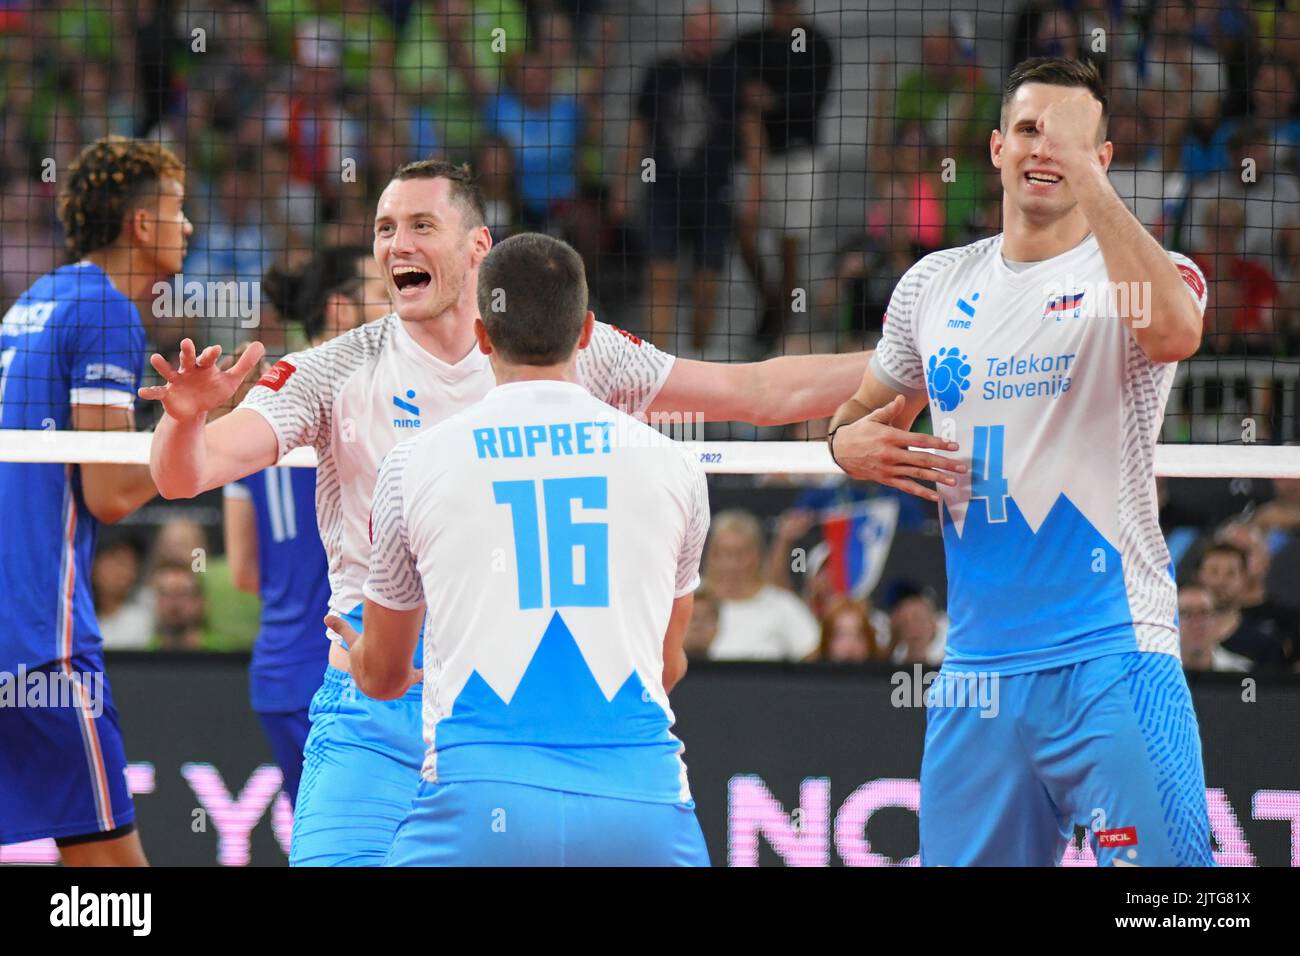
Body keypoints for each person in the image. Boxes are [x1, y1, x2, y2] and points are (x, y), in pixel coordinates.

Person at [142, 157, 867, 866]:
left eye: (422, 225)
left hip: (509, 712)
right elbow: (189, 474)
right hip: (375, 706)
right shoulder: (336, 368)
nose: (398, 244)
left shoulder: (573, 350)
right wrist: (182, 422)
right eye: (385, 228)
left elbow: (757, 395)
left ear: (477, 247)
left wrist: (906, 363)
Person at [828, 58, 1212, 866]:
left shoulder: (1148, 274)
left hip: (1112, 655)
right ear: (999, 146)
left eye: (1071, 138)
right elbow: (864, 411)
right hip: (977, 673)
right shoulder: (933, 285)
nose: (1048, 149)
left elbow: (1175, 333)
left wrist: (1095, 191)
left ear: (1102, 160)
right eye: (1032, 130)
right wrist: (845, 442)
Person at [329, 233, 710, 865]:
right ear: (587, 331)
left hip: (478, 804)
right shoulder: (674, 466)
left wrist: (358, 653)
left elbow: (387, 676)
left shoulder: (413, 464)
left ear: (482, 337)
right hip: (640, 808)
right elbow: (667, 668)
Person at [0, 136, 190, 865]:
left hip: (13, 629)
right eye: (177, 212)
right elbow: (108, 493)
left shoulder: (32, 301)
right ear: (141, 226)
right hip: (43, 645)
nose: (188, 228)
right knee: (116, 884)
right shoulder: (108, 313)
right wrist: (196, 440)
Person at [222, 246, 390, 807]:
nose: (392, 300)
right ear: (340, 309)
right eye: (376, 288)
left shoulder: (258, 408)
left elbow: (243, 571)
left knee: (327, 836)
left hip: (276, 675)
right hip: (343, 666)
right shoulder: (358, 403)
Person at [704, 510, 820, 661]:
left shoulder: (782, 605)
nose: (731, 564)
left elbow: (812, 652)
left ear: (757, 556)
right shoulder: (689, 602)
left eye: (740, 554)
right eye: (722, 553)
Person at [1178, 583, 1251, 673]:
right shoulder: (1157, 674)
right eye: (1186, 613)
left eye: (1204, 613)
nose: (1196, 623)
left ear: (1217, 620)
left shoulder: (1242, 673)